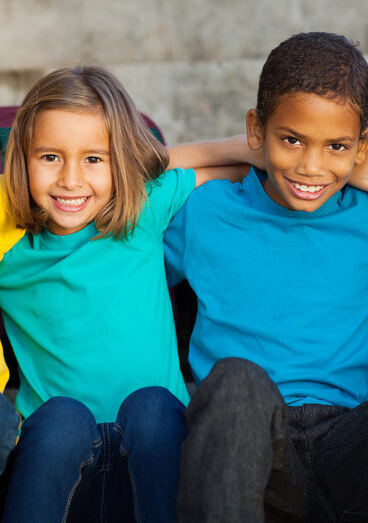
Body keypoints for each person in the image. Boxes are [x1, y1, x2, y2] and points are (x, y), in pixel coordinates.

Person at [0, 65, 258, 523]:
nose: (71, 180)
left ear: (124, 162)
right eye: (50, 157)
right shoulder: (10, 236)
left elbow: (248, 165)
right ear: (21, 158)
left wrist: (277, 149)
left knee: (153, 405)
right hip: (57, 470)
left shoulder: (142, 208)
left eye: (94, 159)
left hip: (149, 464)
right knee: (62, 417)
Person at [164, 32, 368, 522]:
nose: (311, 166)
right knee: (236, 382)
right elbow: (119, 177)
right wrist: (233, 149)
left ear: (361, 147)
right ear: (257, 130)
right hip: (251, 446)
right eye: (291, 139)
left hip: (350, 447)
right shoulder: (207, 211)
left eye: (336, 145)